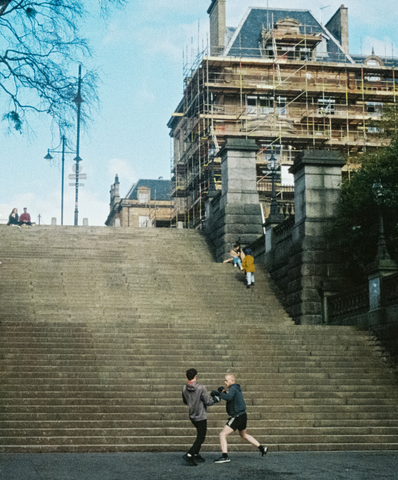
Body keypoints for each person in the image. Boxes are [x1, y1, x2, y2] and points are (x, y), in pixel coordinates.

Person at [211, 374, 267, 463]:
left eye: (226, 380)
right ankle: (262, 448)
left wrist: (219, 394)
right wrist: (222, 392)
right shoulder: (236, 388)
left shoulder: (233, 387)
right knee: (243, 435)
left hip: (237, 416)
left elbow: (229, 398)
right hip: (243, 415)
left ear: (232, 381)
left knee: (222, 434)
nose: (225, 382)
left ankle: (225, 456)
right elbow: (231, 399)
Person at [182, 368, 220, 466]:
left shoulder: (184, 388)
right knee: (201, 437)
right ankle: (190, 454)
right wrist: (216, 399)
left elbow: (185, 401)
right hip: (201, 415)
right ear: (195, 376)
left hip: (192, 415)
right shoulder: (201, 387)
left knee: (200, 434)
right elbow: (208, 402)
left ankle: (196, 454)